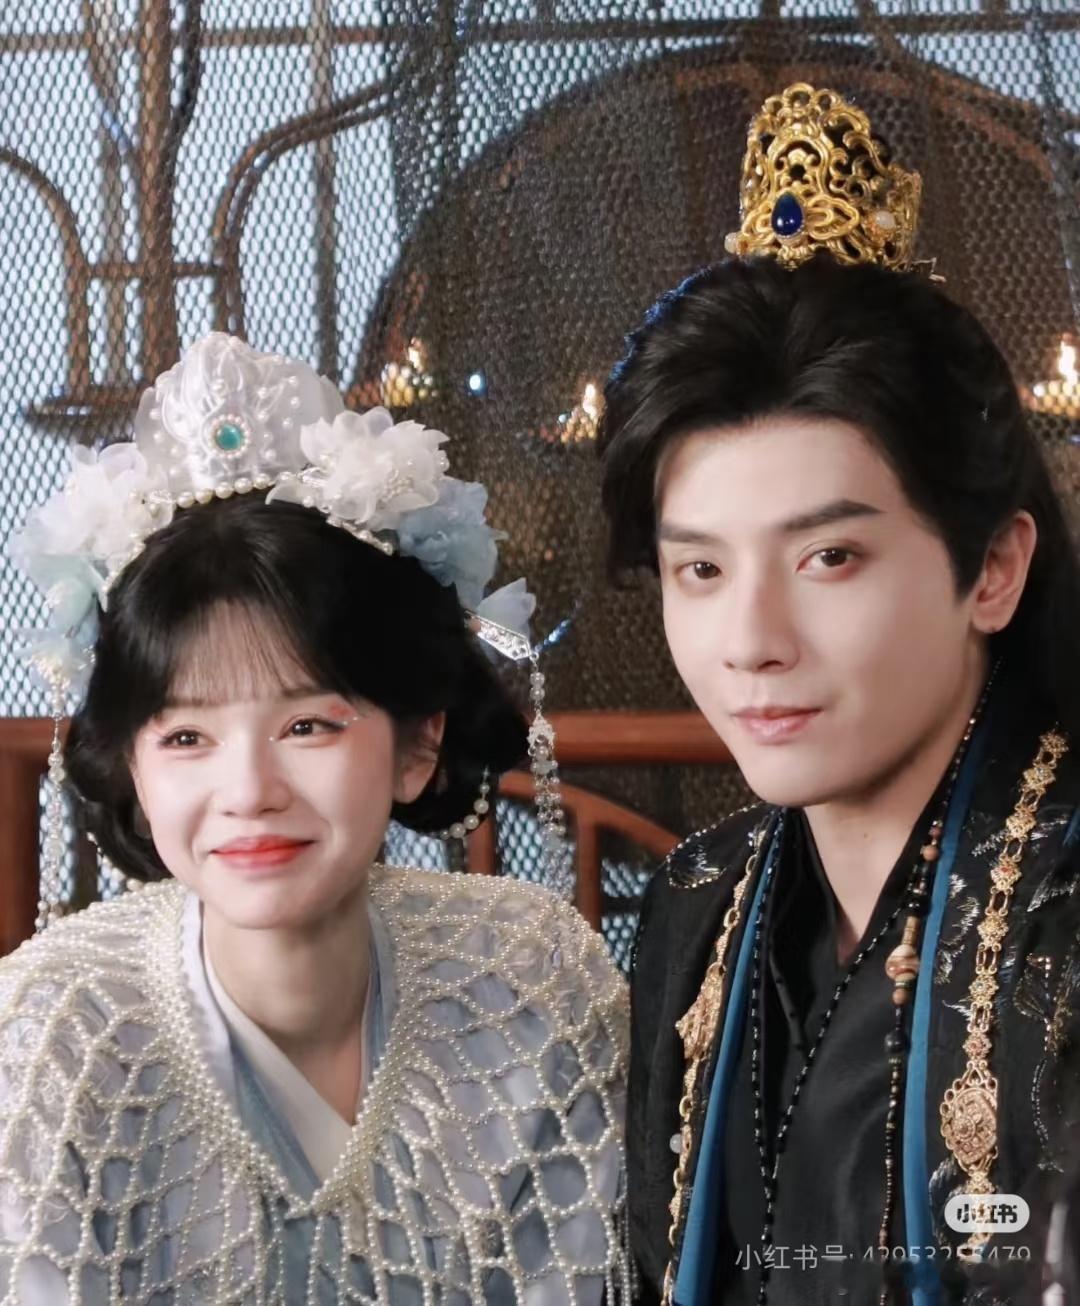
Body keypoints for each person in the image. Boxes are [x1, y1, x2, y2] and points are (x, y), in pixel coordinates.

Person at [0, 333, 629, 1303]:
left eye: (307, 725)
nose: (249, 789)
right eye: (186, 737)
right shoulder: (50, 1037)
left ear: (418, 741)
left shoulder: (530, 979)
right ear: (131, 764)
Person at [598, 83, 1080, 1305]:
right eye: (700, 570)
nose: (751, 643)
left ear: (993, 567)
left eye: (829, 557)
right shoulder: (698, 905)